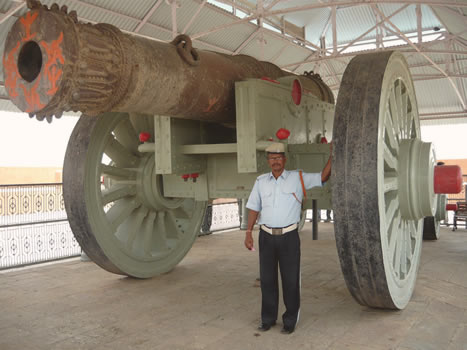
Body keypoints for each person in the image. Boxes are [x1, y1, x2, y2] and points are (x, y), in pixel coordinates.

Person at [244, 142, 331, 334]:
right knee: (267, 280)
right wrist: (249, 232)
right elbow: (253, 207)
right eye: (272, 158)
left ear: (285, 159)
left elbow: (323, 177)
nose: (275, 162)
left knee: (290, 280)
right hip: (266, 236)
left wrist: (334, 155)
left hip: (289, 237)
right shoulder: (260, 182)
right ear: (268, 161)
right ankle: (267, 319)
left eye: (279, 158)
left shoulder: (297, 178)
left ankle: (290, 320)